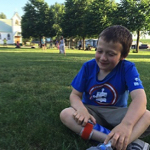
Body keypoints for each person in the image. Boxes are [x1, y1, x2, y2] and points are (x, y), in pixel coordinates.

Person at [60, 25, 150, 150]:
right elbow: (75, 95)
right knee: (66, 114)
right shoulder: (88, 67)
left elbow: (140, 99)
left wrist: (126, 124)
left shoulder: (127, 68)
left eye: (111, 54)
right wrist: (81, 110)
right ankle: (119, 143)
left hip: (116, 113)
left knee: (147, 115)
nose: (103, 58)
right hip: (91, 113)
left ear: (123, 55)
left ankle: (115, 140)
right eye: (99, 51)